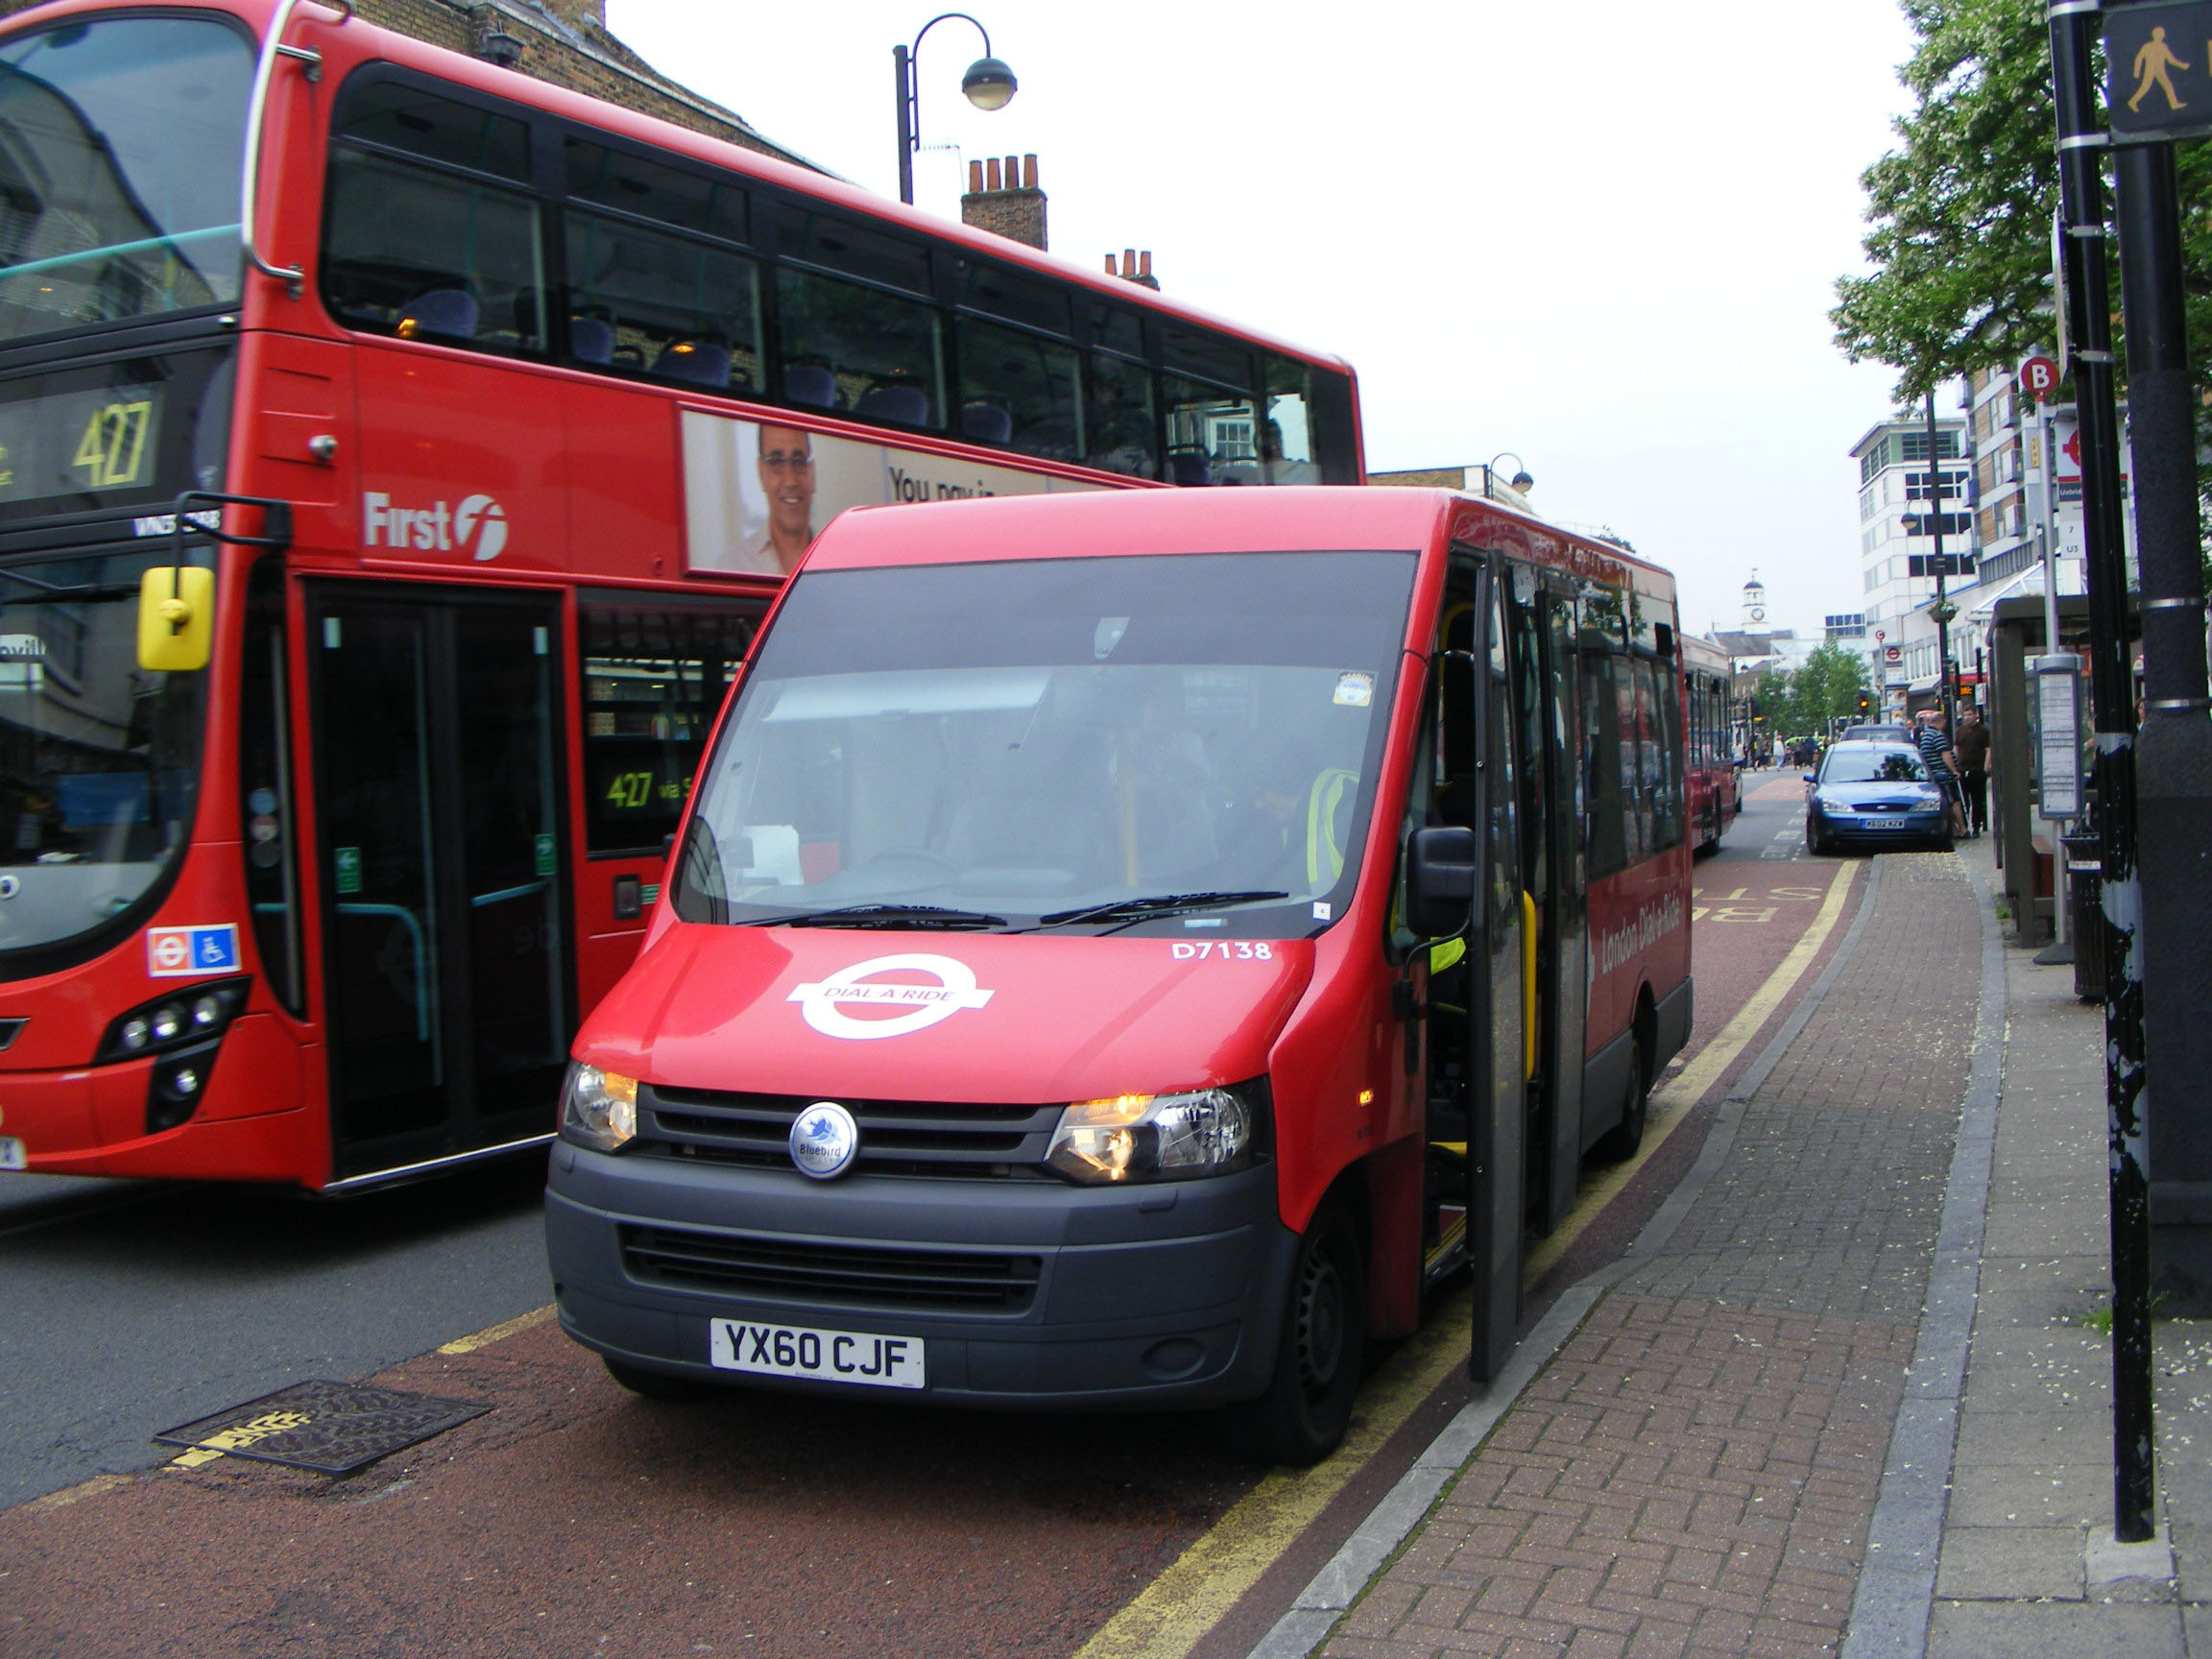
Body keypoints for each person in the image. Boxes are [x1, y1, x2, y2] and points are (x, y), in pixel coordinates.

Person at [733, 423, 818, 575]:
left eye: (798, 461)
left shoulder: (842, 562)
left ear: (812, 472)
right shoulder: (733, 565)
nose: (790, 480)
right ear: (761, 473)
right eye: (776, 462)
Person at [1914, 708, 1967, 837]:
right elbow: (1946, 754)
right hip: (1943, 774)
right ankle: (1963, 829)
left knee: (1947, 802)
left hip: (1934, 773)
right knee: (1954, 801)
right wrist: (1954, 770)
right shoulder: (1937, 736)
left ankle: (1954, 830)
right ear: (1942, 721)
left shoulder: (1926, 735)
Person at [1954, 708, 1991, 837]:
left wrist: (1985, 768)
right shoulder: (1960, 731)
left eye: (1970, 714)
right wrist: (1956, 766)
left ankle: (1976, 826)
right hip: (1963, 770)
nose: (1967, 717)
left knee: (1977, 800)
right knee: (1964, 800)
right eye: (1965, 715)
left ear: (1975, 715)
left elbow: (1988, 750)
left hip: (1977, 770)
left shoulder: (1983, 731)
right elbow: (1956, 748)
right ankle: (1965, 827)